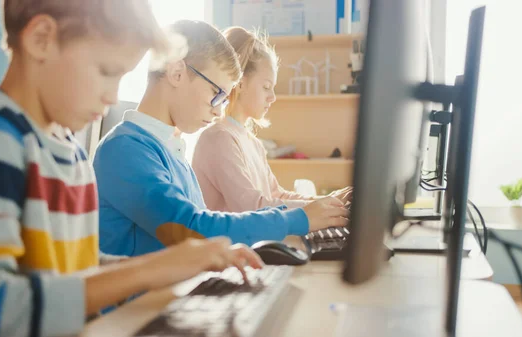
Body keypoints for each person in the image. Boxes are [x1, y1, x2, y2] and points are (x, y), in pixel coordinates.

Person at [0, 3, 261, 336]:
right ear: (42, 38)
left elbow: (78, 266)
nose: (113, 96)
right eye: (107, 71)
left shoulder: (69, 150)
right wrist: (148, 270)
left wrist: (174, 264)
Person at [93, 20, 349, 257]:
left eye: (224, 99)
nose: (218, 110)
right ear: (176, 73)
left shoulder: (172, 152)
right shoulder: (125, 150)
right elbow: (193, 229)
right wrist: (299, 218)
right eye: (216, 94)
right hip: (143, 305)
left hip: (178, 293)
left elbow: (205, 229)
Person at [192, 26, 352, 213]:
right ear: (241, 83)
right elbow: (252, 207)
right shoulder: (219, 138)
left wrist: (328, 200)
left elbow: (277, 196)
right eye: (266, 87)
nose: (273, 97)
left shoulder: (252, 142)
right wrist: (323, 206)